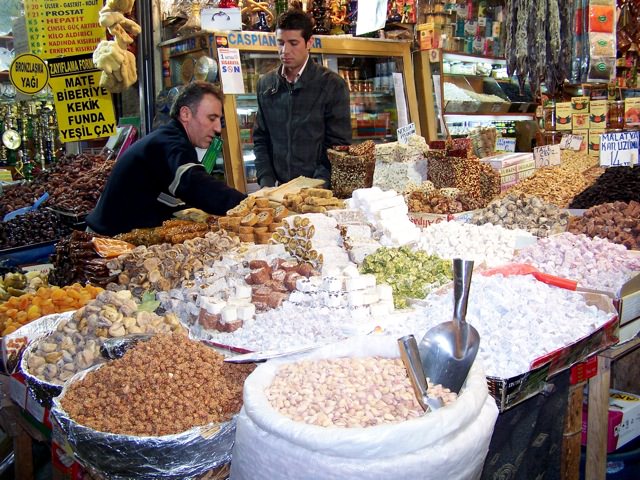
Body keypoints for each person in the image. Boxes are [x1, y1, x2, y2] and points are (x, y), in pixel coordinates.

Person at [86, 81, 246, 236]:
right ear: (185, 114)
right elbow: (194, 184)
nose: (218, 128)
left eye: (220, 120)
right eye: (212, 118)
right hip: (104, 244)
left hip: (118, 236)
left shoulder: (171, 138)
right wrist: (248, 205)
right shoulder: (169, 142)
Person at [253, 8, 352, 188]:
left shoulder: (332, 85)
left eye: (293, 43)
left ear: (309, 42)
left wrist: (315, 186)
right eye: (280, 43)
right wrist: (266, 181)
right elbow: (261, 139)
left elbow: (338, 146)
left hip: (318, 190)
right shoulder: (266, 85)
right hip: (277, 190)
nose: (285, 50)